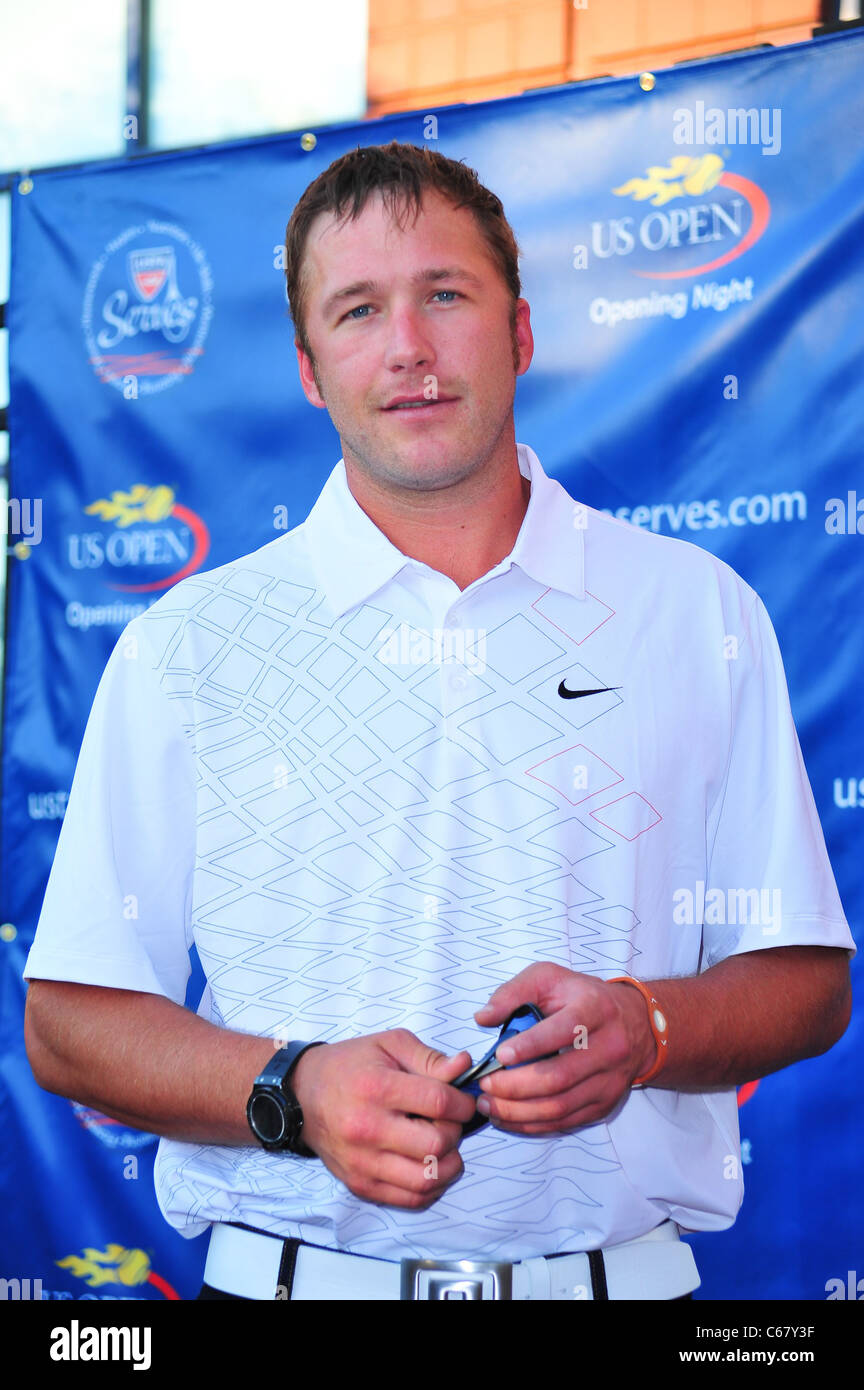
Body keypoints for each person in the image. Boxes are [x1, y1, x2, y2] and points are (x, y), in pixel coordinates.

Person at [24, 140, 854, 1302]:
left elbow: (809, 981)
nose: (407, 348)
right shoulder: (190, 640)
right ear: (312, 369)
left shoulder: (696, 610)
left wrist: (649, 1024)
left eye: (445, 296)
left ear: (518, 331)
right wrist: (294, 1085)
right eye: (358, 310)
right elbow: (69, 1022)